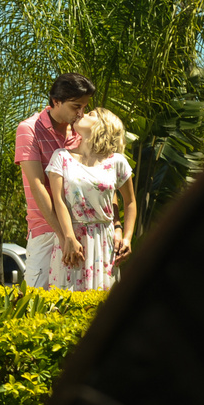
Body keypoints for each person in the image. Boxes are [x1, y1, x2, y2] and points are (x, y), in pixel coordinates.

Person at [15, 72, 96, 288]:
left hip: (84, 230)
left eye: (84, 107)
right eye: (75, 106)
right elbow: (37, 186)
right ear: (56, 101)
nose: (81, 113)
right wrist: (63, 236)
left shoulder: (83, 131)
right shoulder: (29, 129)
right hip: (46, 230)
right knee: (36, 300)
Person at [45, 108, 137, 291]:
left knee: (102, 308)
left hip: (105, 243)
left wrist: (127, 238)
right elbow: (58, 201)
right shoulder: (61, 157)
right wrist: (68, 237)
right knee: (65, 306)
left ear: (103, 126)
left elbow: (130, 202)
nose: (81, 114)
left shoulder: (117, 162)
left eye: (90, 114)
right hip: (72, 242)